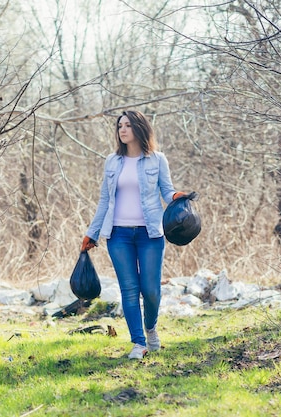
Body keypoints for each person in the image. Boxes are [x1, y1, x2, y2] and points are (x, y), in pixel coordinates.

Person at [81, 110, 186, 359]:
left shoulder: (157, 159)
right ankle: (138, 343)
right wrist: (91, 233)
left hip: (150, 233)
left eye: (127, 125)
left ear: (139, 128)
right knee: (129, 289)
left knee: (150, 290)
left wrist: (176, 198)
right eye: (120, 126)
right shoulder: (112, 161)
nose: (123, 130)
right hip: (118, 235)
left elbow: (167, 191)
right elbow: (104, 200)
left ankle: (150, 327)